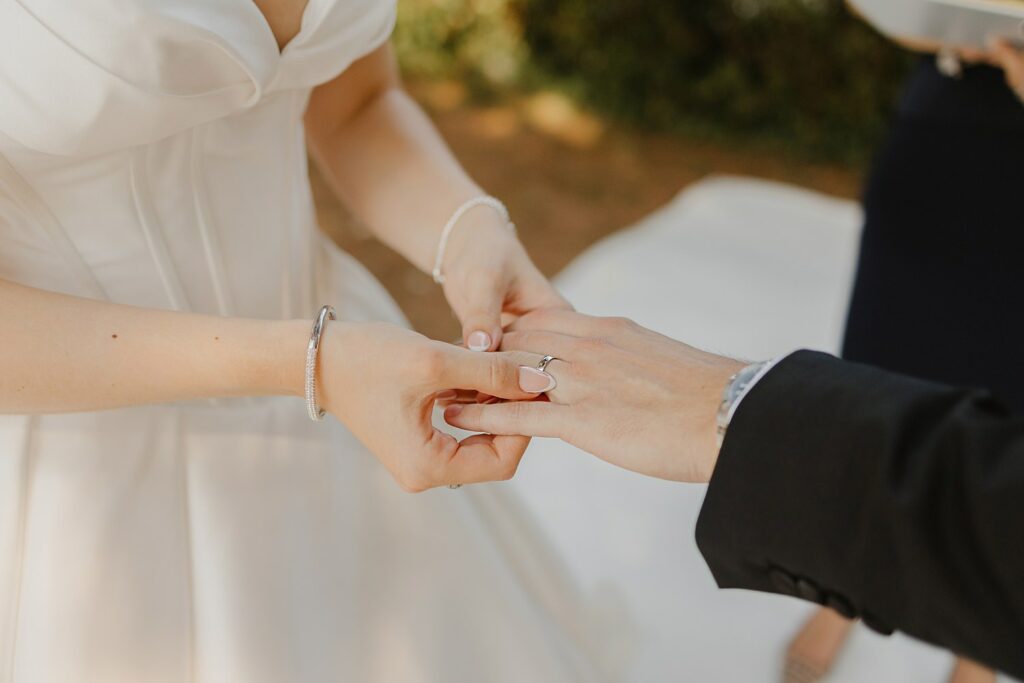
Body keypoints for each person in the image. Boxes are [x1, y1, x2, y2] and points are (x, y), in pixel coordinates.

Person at [0, 1, 602, 680]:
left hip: (348, 409)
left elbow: (357, 104)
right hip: (82, 481)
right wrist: (314, 362)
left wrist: (466, 231)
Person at [443, 308, 1024, 681]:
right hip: (949, 151)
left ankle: (980, 643)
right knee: (894, 349)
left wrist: (736, 409)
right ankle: (843, 595)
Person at [785, 4, 1024, 674]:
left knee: (1013, 402)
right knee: (876, 374)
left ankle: (980, 630)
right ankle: (845, 587)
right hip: (944, 121)